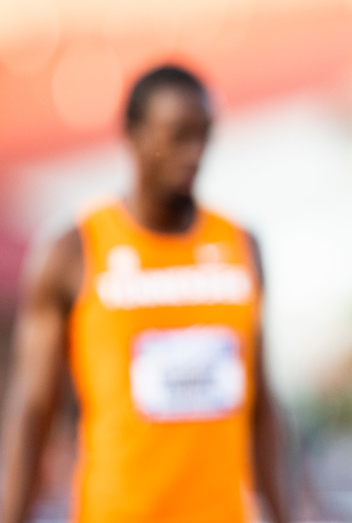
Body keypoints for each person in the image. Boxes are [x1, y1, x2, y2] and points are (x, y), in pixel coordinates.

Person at [0, 65, 290, 523]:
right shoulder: (74, 252)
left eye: (204, 136)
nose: (194, 153)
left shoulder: (240, 246)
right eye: (178, 137)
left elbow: (261, 404)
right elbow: (34, 408)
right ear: (133, 137)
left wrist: (289, 512)